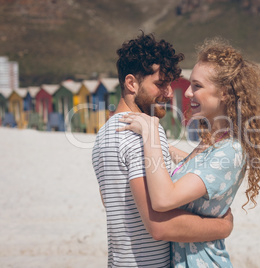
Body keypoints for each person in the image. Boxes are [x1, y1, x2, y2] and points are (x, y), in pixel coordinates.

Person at [118, 38, 260, 267]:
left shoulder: (231, 151)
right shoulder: (212, 144)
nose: (188, 94)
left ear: (224, 93)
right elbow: (195, 167)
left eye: (197, 86)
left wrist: (151, 134)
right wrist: (161, 143)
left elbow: (164, 199)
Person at [92, 33, 234, 268]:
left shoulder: (104, 134)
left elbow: (115, 201)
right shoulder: (144, 132)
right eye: (160, 84)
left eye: (170, 84)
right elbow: (158, 225)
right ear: (131, 83)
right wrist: (222, 226)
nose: (169, 93)